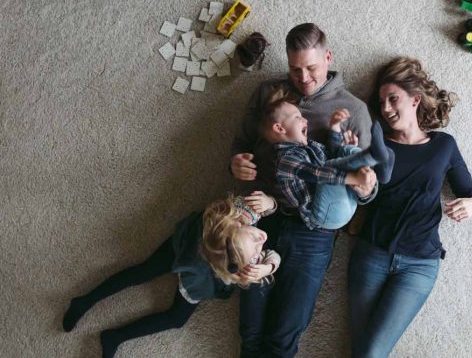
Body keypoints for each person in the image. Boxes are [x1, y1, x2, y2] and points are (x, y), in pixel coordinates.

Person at [230, 23, 378, 357]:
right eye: (295, 70)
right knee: (250, 328)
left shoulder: (353, 110)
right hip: (260, 217)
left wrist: (366, 188)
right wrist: (235, 164)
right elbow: (240, 144)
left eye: (311, 68)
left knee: (284, 333)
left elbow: (367, 185)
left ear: (327, 57)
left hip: (313, 231)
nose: (304, 78)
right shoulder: (269, 93)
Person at [347, 57, 472, 358]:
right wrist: (363, 189)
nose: (385, 108)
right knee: (360, 351)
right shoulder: (376, 142)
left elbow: (471, 192)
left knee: (370, 353)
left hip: (420, 264)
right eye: (381, 102)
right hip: (371, 253)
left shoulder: (443, 145)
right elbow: (359, 191)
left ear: (415, 99)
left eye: (393, 99)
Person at [62, 193, 279, 358]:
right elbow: (260, 213)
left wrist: (267, 266)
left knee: (176, 319)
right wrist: (269, 205)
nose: (262, 238)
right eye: (254, 239)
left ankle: (114, 336)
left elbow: (273, 255)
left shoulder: (246, 239)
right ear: (234, 226)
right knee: (143, 271)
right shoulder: (234, 220)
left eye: (257, 244)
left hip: (203, 276)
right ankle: (84, 301)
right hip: (187, 248)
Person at [262, 96, 394, 230]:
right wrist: (353, 178)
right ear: (280, 128)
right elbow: (316, 174)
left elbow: (333, 155)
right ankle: (373, 156)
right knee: (328, 168)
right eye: (297, 117)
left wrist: (335, 127)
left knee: (346, 149)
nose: (305, 119)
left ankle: (379, 165)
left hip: (348, 200)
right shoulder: (285, 160)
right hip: (325, 215)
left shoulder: (311, 146)